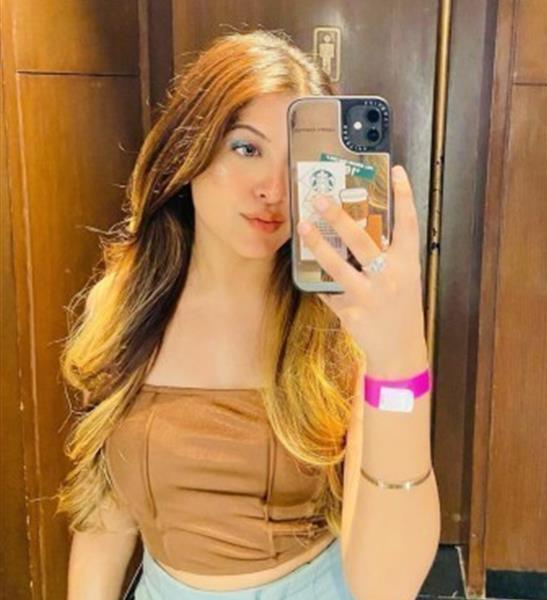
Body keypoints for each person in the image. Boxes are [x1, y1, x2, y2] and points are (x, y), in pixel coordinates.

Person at [57, 29, 437, 600]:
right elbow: (106, 514)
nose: (273, 190)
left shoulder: (340, 323)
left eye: (296, 164)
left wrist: (399, 358)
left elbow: (387, 585)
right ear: (190, 150)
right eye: (247, 148)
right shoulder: (120, 305)